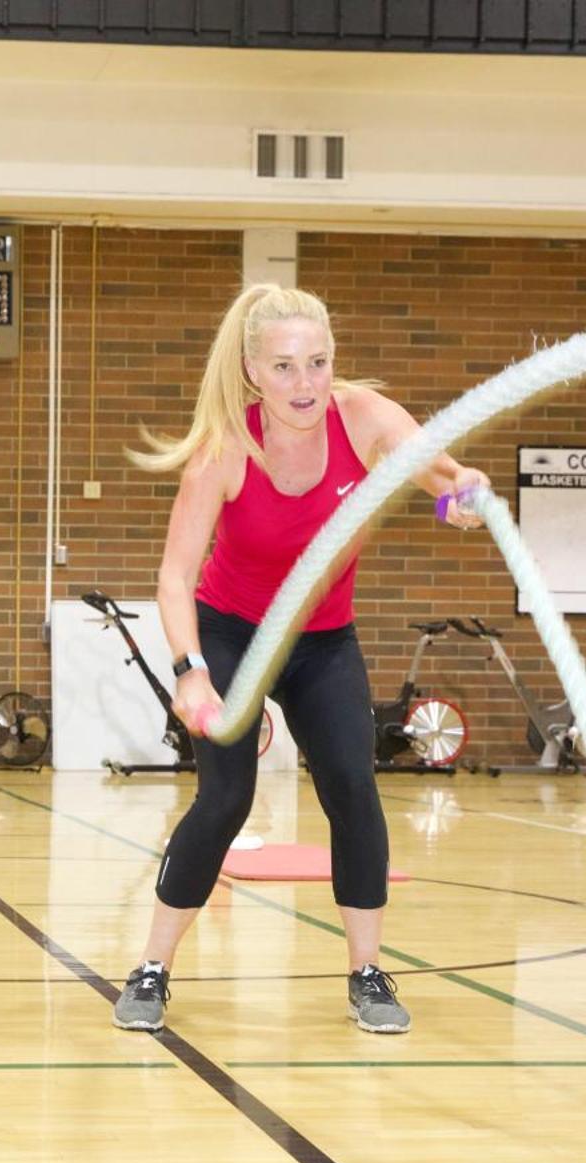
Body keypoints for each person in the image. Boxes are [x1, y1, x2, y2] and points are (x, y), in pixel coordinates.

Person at [112, 284, 489, 1037]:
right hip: (231, 635)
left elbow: (443, 486)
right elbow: (174, 578)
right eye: (284, 367)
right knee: (225, 798)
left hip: (320, 640)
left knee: (352, 784)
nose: (305, 383)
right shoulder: (225, 449)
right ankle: (152, 966)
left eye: (318, 363)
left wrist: (467, 499)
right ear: (254, 371)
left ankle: (368, 971)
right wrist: (191, 670)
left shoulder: (368, 421)